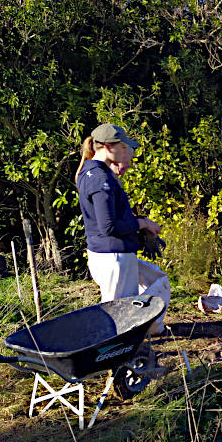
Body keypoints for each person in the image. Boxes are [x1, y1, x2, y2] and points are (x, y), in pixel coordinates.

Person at [76, 123, 169, 334]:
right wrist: (143, 224)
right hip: (113, 256)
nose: (128, 151)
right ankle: (113, 357)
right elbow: (108, 226)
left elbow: (111, 217)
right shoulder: (100, 179)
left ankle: (143, 335)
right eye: (124, 146)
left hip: (111, 253)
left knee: (151, 285)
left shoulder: (91, 172)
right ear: (109, 147)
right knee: (116, 317)